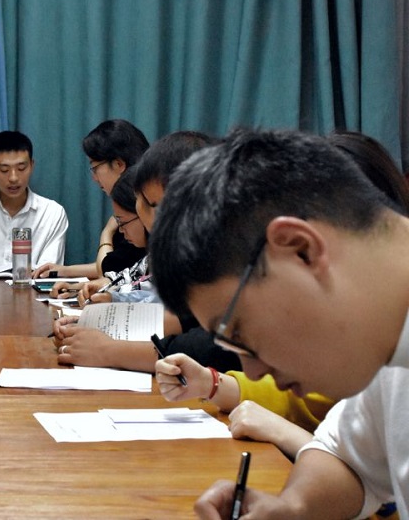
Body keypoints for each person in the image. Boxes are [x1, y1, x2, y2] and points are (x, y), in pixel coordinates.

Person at [148, 127, 409, 519]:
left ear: (299, 249)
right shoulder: (380, 342)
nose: (252, 368)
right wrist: (292, 506)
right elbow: (346, 459)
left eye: (239, 332)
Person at [53, 131, 239, 374]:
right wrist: (101, 324)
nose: (145, 213)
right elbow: (182, 319)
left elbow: (221, 348)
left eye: (152, 204)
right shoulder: (187, 252)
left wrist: (110, 350)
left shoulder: (226, 254)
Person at [33, 119, 150, 279]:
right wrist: (64, 271)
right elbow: (126, 266)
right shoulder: (132, 198)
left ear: (118, 164)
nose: (94, 178)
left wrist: (107, 233)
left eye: (95, 168)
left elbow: (110, 269)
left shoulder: (139, 204)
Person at [0, 130, 69, 271]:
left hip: (35, 293)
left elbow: (47, 274)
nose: (13, 178)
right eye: (4, 170)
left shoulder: (52, 213)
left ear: (32, 166)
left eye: (21, 168)